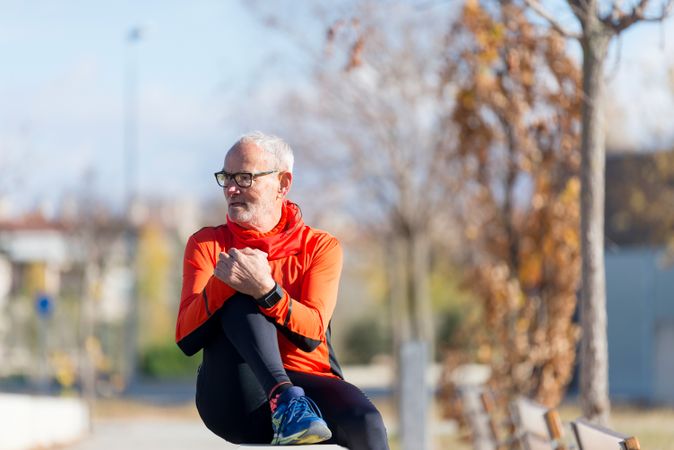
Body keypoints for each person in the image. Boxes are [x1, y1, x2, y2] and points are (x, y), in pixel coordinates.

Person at [175, 131, 389, 449]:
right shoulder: (207, 244)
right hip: (235, 397)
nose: (231, 188)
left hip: (309, 385)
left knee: (367, 422)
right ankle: (285, 399)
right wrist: (225, 282)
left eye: (245, 177)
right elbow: (186, 338)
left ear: (283, 184)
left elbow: (311, 333)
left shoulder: (320, 246)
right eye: (226, 177)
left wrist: (268, 290)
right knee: (237, 291)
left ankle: (293, 403)